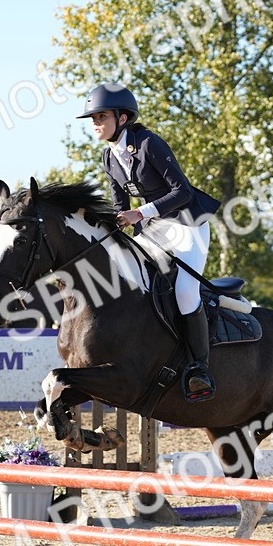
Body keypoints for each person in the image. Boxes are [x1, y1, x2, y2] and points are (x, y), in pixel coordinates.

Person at [77, 83, 222, 402]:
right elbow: (119, 207)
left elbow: (182, 191)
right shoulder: (109, 157)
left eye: (101, 116)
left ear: (123, 117)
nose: (95, 123)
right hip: (153, 228)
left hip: (187, 224)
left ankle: (200, 368)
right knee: (133, 283)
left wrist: (139, 212)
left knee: (184, 290)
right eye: (93, 118)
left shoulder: (148, 144)